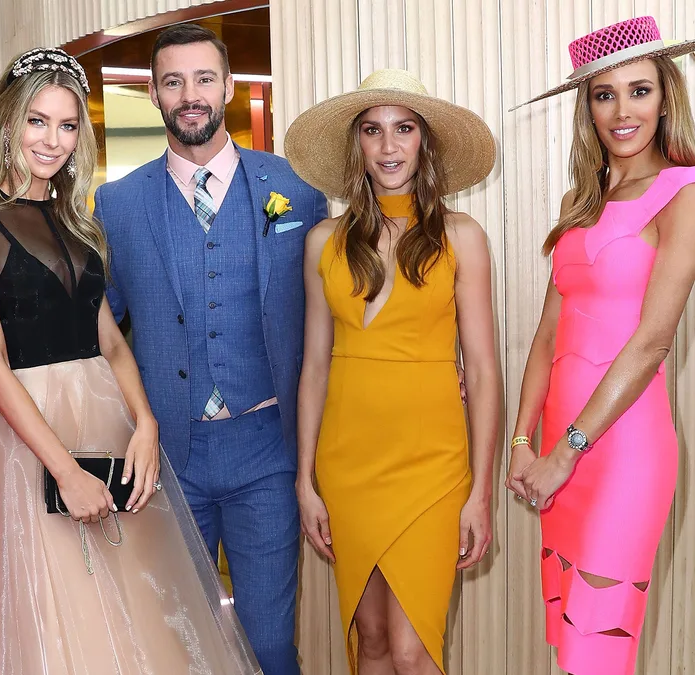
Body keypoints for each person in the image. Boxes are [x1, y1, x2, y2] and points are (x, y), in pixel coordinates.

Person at [0, 47, 260, 674]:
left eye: (67, 126)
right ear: (7, 121)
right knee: (64, 620)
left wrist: (146, 424)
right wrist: (65, 470)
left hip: (108, 424)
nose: (52, 141)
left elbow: (111, 341)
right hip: (30, 437)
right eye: (37, 121)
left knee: (144, 614)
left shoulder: (74, 220)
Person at [94, 23, 328, 675]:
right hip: (168, 458)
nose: (189, 94)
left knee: (269, 641)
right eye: (173, 81)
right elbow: (99, 325)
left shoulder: (297, 190)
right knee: (182, 643)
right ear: (154, 94)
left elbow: (334, 308)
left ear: (227, 85)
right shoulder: (115, 203)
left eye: (202, 78)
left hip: (266, 450)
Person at [284, 70, 499, 675]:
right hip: (347, 463)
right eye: (373, 131)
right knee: (371, 640)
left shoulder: (463, 238)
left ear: (424, 143)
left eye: (404, 129)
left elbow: (482, 371)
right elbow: (314, 369)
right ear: (357, 145)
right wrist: (305, 481)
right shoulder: (323, 241)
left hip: (432, 466)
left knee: (414, 648)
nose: (388, 146)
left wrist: (480, 491)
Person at [507, 16, 695, 675]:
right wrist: (520, 441)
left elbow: (651, 343)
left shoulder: (684, 193)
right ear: (586, 107)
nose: (622, 110)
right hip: (558, 454)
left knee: (598, 654)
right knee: (569, 650)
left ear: (665, 96)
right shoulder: (580, 199)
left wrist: (564, 452)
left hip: (620, 457)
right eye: (603, 93)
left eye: (639, 91)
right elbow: (544, 336)